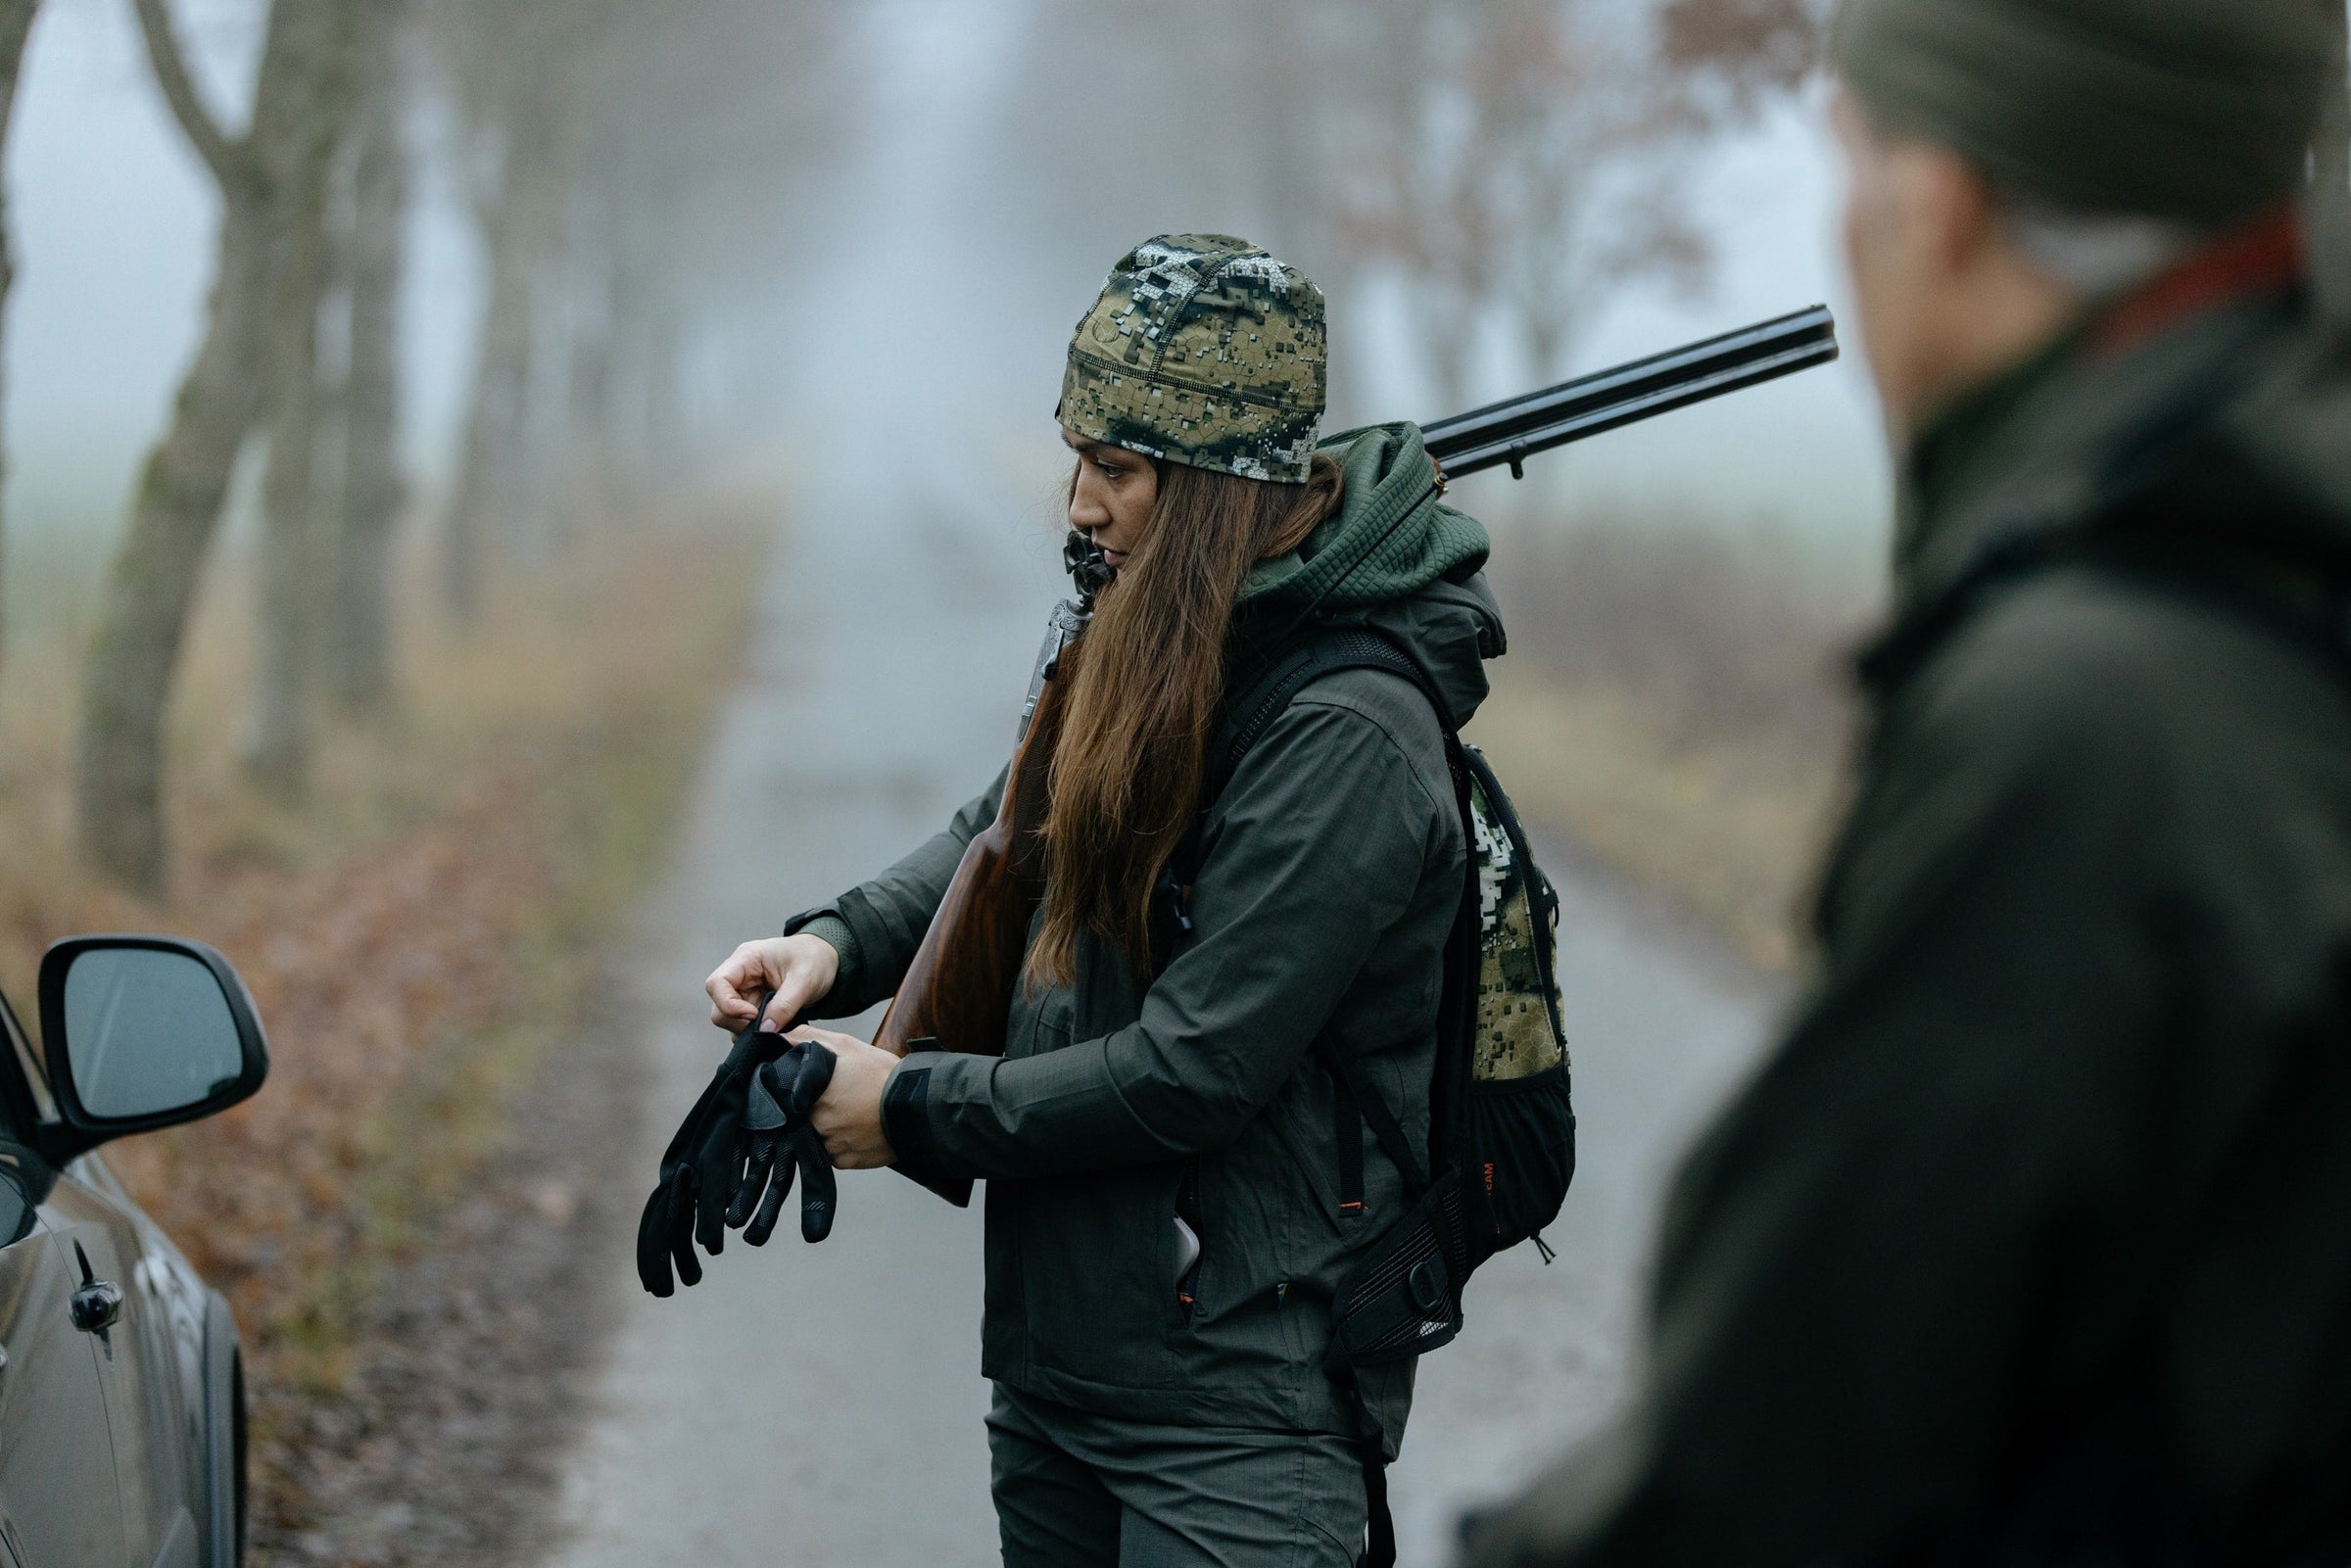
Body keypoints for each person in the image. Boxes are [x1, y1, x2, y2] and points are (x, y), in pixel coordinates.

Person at [1458, 1, 2351, 1564]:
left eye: (1850, 165)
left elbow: (1771, 1461)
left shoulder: (2083, 729)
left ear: (1937, 205)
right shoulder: (2275, 582)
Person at [706, 234, 1505, 1567]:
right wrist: (831, 942)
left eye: (1117, 468)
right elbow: (1009, 833)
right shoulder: (1156, 630)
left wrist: (908, 1107)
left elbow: (1196, 1068)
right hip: (1059, 1377)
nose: (1078, 503)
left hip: (1243, 1417)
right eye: (1078, 454)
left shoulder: (1348, 735)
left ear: (1210, 487)